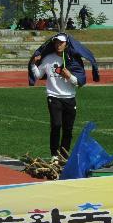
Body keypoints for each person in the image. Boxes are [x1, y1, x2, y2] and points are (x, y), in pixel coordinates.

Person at [31, 34, 81, 162]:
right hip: (53, 96)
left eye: (61, 43)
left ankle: (63, 156)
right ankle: (54, 154)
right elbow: (38, 75)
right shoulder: (48, 59)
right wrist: (33, 64)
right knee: (56, 124)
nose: (58, 45)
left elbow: (78, 82)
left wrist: (69, 76)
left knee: (68, 129)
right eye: (56, 43)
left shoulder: (72, 60)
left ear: (66, 44)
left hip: (70, 97)